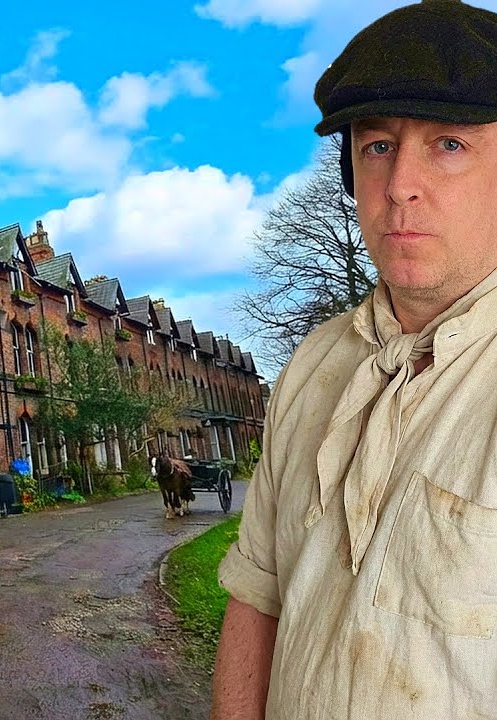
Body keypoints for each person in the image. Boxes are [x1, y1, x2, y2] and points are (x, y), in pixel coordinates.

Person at [212, 2, 497, 718]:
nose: (400, 183)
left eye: (450, 145)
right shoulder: (313, 362)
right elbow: (257, 595)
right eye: (376, 146)